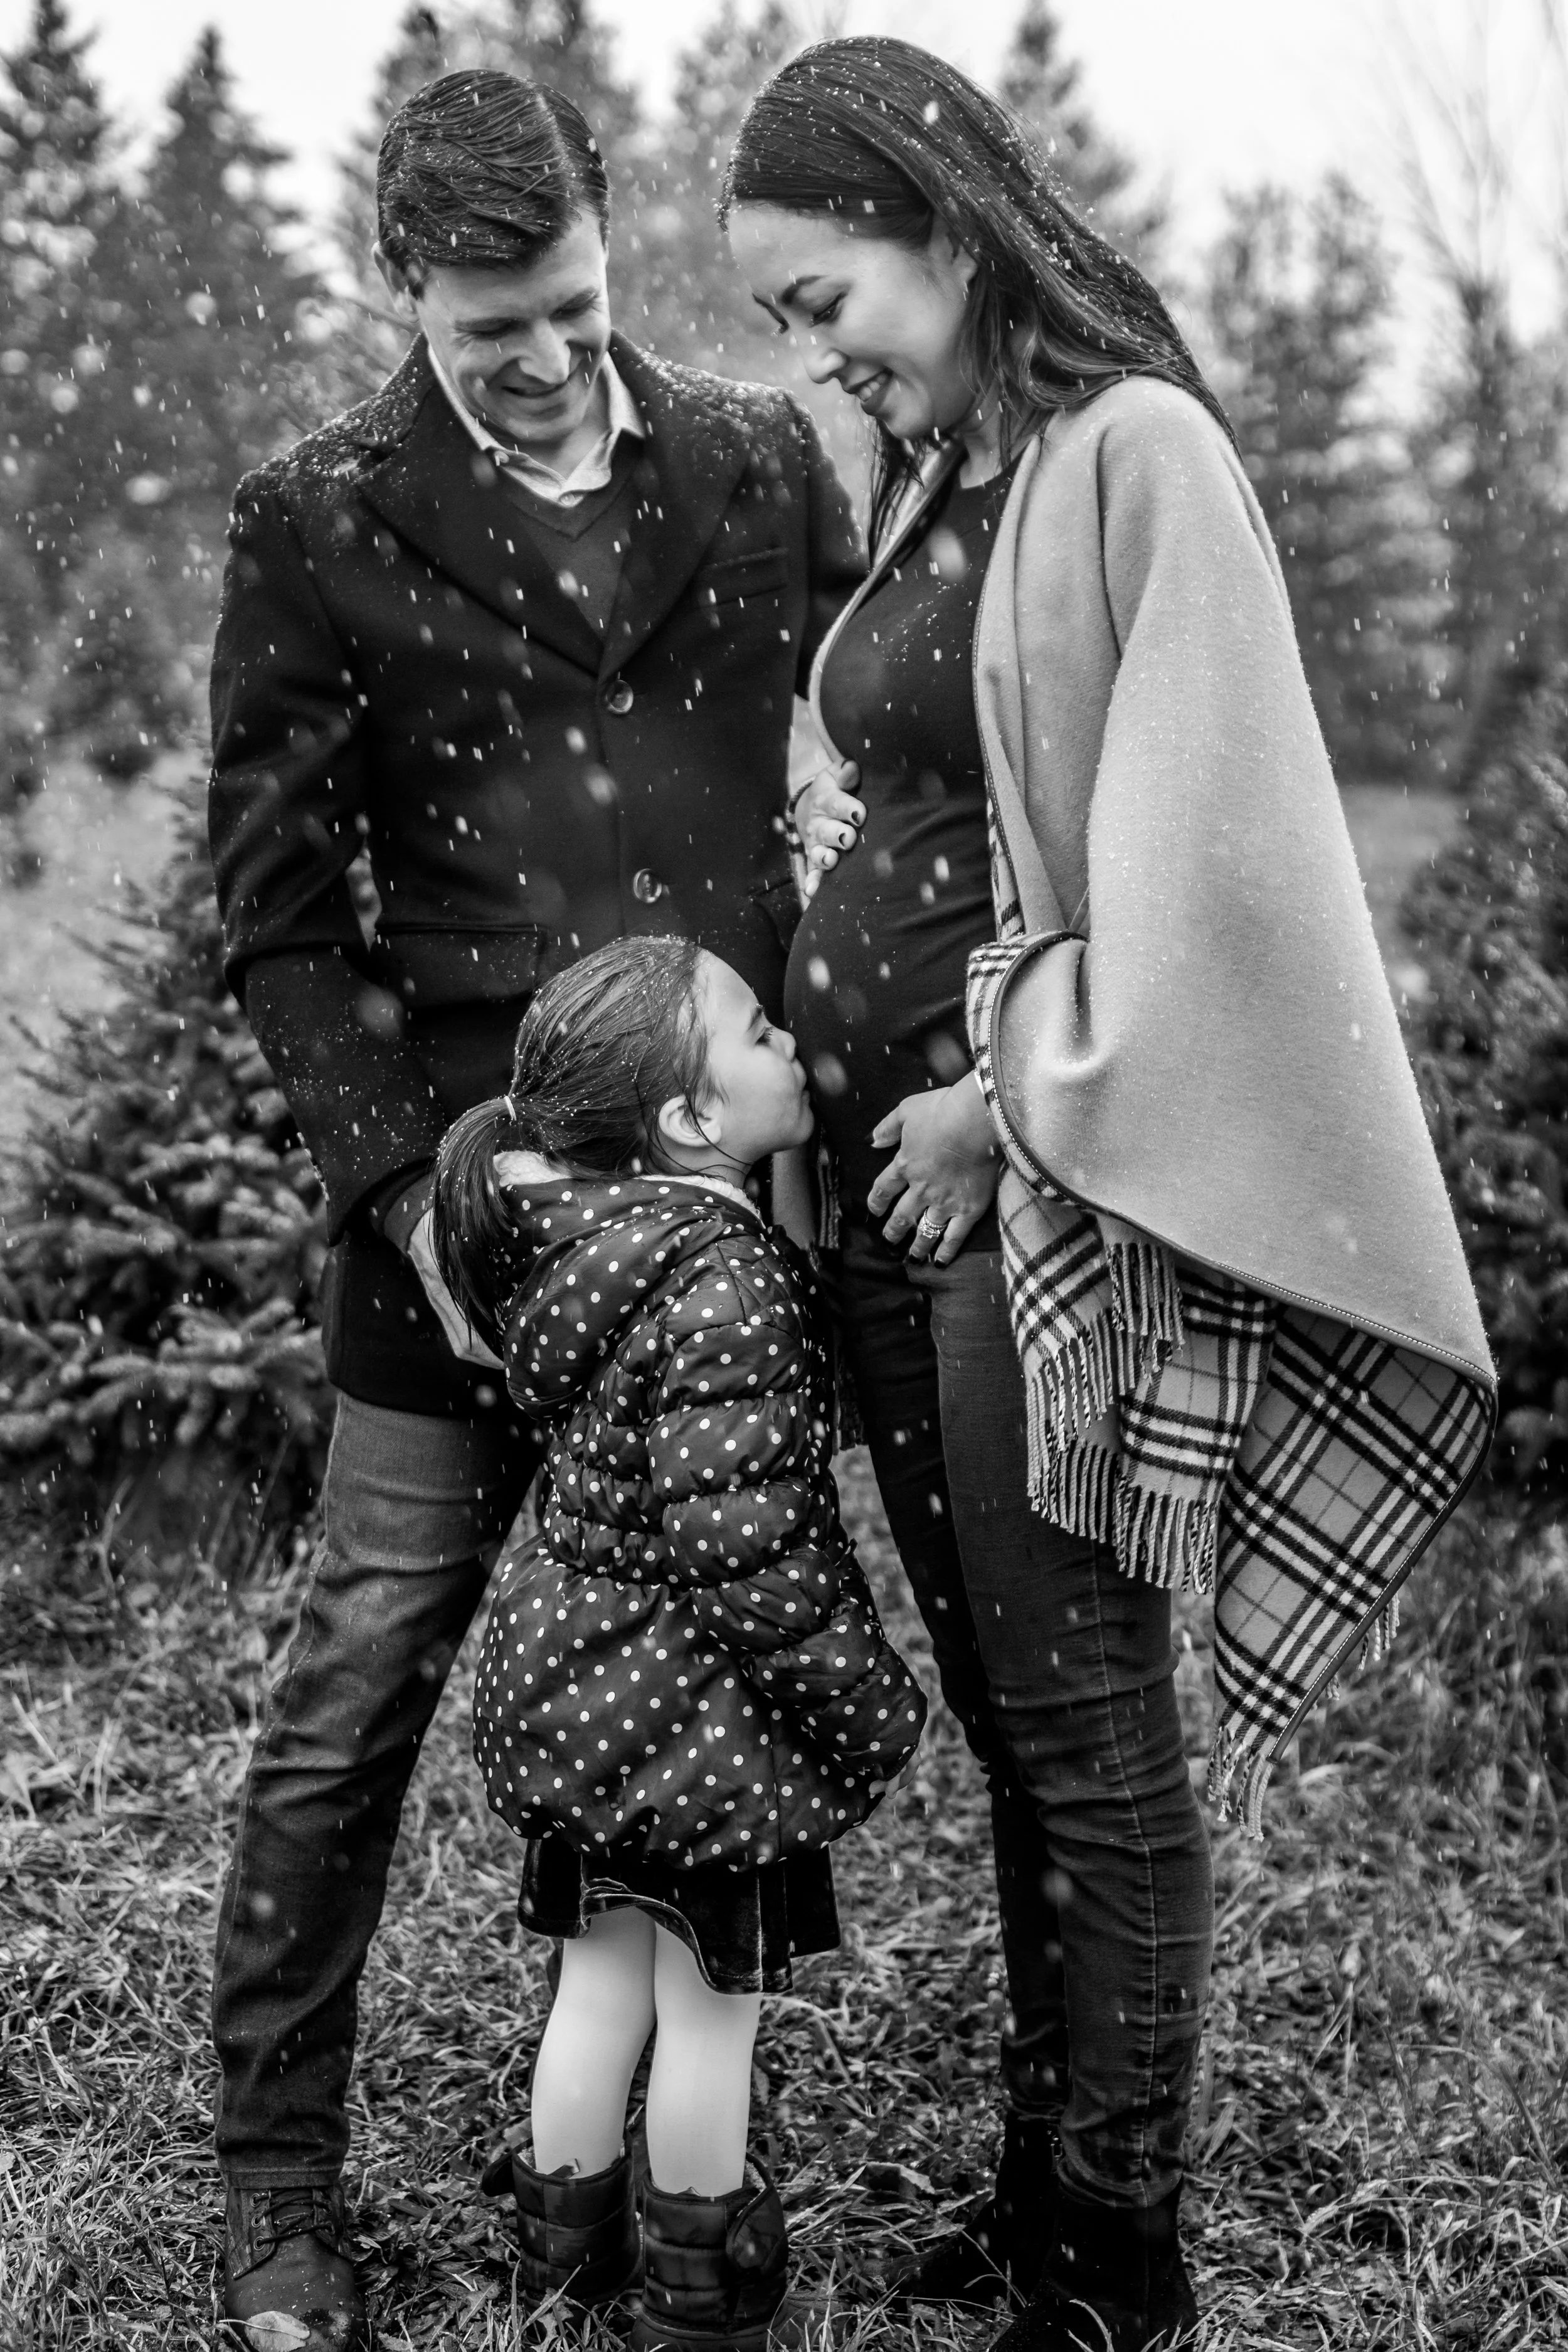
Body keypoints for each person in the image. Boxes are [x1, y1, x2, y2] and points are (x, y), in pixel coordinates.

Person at [723, 38, 1495, 2352]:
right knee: (1007, 1719)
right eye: (778, 321)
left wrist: (995, 1094)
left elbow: (1214, 860)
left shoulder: (1136, 452)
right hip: (882, 1211)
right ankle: (1034, 2187)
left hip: (1029, 1196)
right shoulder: (941, 473)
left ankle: (1115, 2256)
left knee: (1086, 1735)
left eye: (824, 296)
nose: (816, 354)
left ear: (946, 230)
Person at [205, 68, 861, 2350]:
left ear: (604, 238)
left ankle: (663, 2176)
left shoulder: (758, 466)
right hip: (459, 1230)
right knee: (357, 1685)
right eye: (492, 330)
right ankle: (277, 2180)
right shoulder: (315, 522)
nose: (548, 359)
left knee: (712, 1656)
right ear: (407, 283)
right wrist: (409, 1202)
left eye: (572, 306)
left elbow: (869, 733)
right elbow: (282, 918)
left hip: (728, 1231)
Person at [430, 933, 926, 2348]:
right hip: (701, 1727)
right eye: (759, 1031)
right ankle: (699, 2296)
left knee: (597, 1988)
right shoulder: (726, 1277)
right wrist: (866, 1700)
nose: (790, 1045)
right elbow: (745, 1549)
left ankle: (562, 2253)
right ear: (691, 1118)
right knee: (711, 2015)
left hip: (576, 1687)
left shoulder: (582, 1243)